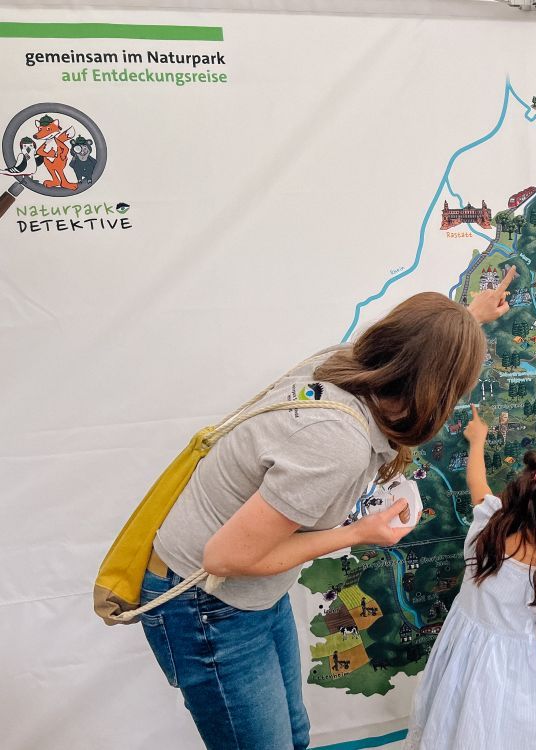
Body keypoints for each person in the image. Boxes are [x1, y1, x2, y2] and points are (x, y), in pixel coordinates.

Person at [139, 271, 515, 750]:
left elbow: (418, 348)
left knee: (293, 737)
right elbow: (224, 558)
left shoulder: (346, 364)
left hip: (248, 593)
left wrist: (468, 318)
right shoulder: (338, 444)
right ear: (435, 392)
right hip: (208, 601)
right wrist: (359, 533)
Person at [404, 405, 536, 750]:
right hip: (511, 678)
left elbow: (477, 483)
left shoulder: (491, 522)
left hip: (460, 658)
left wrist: (477, 441)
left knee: (451, 728)